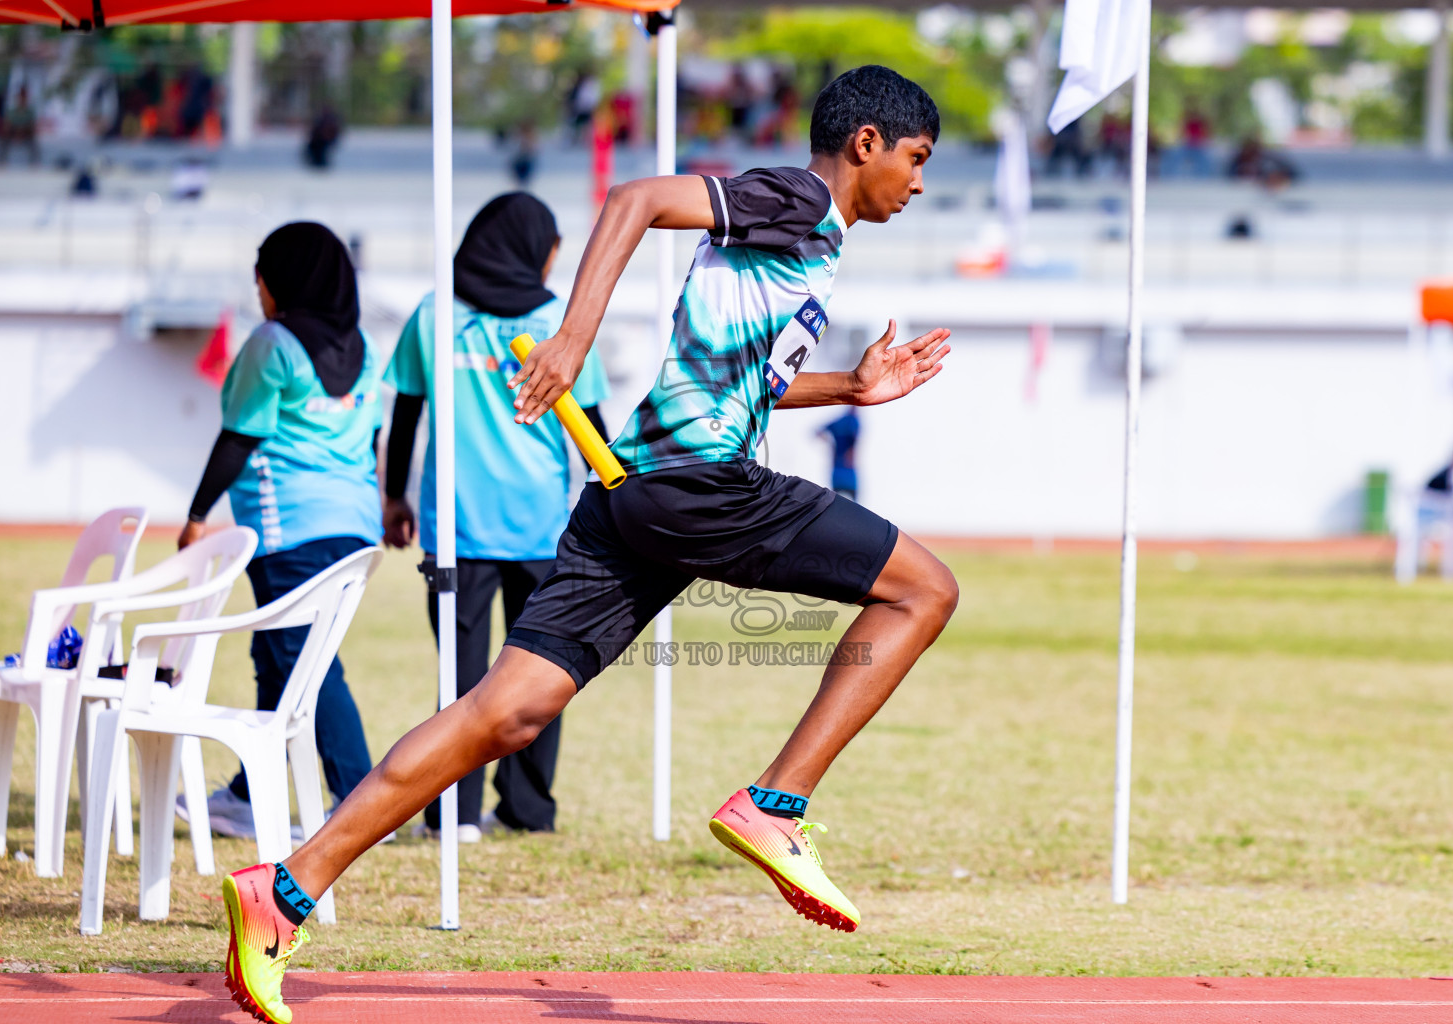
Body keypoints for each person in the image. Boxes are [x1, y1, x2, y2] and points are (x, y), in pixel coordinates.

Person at [220, 65, 956, 1024]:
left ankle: (284, 889)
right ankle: (776, 806)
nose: (920, 182)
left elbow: (741, 383)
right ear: (867, 144)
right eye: (917, 158)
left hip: (633, 493)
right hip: (697, 485)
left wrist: (850, 389)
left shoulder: (809, 245)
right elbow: (638, 197)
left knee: (507, 711)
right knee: (924, 592)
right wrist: (571, 336)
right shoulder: (799, 197)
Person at [382, 192, 612, 842]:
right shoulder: (560, 324)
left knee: (461, 680)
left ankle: (452, 816)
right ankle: (528, 809)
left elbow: (405, 413)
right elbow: (590, 430)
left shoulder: (434, 315)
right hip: (540, 524)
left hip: (458, 526)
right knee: (544, 676)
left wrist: (393, 495)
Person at [178, 222, 381, 840]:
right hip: (353, 525)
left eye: (260, 278)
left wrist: (195, 516)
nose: (258, 291)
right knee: (276, 656)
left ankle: (362, 801)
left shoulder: (272, 343)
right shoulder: (365, 348)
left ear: (283, 281)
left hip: (287, 527)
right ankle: (247, 793)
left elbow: (241, 434)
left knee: (309, 667)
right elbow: (369, 437)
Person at [818, 407, 860, 502]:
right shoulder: (853, 421)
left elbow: (819, 431)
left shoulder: (840, 421)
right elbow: (854, 441)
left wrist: (830, 445)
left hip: (838, 468)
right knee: (855, 505)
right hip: (847, 469)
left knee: (834, 502)